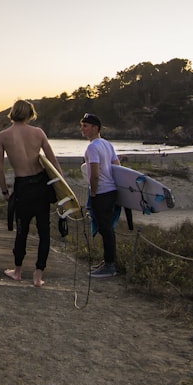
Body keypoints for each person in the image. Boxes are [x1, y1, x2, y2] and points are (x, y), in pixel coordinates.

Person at [0, 99, 60, 287]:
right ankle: (38, 276)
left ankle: (17, 272)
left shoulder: (3, 136)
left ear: (13, 113)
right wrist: (63, 187)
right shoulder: (38, 133)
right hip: (41, 186)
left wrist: (5, 191)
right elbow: (53, 161)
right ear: (30, 113)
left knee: (21, 231)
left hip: (22, 187)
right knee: (44, 232)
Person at [80, 113, 121, 278]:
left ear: (95, 128)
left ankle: (110, 266)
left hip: (101, 192)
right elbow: (117, 166)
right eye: (82, 125)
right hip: (111, 191)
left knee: (105, 229)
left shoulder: (93, 147)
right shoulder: (107, 144)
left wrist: (94, 192)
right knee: (108, 229)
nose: (82, 129)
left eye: (85, 126)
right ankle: (108, 261)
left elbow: (94, 174)